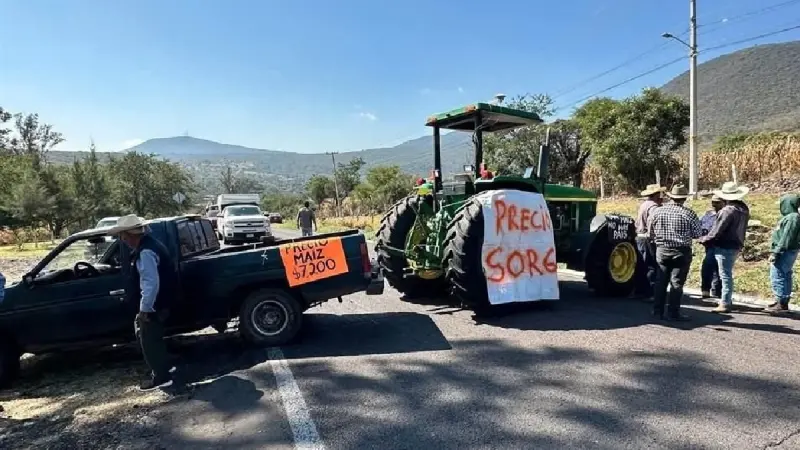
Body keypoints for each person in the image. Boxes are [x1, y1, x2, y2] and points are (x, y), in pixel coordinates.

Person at [108, 214, 178, 391]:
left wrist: (144, 309)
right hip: (162, 301)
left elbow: (150, 282)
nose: (122, 240)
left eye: (123, 235)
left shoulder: (146, 251)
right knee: (154, 338)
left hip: (155, 304)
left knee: (148, 339)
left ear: (130, 235)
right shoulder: (150, 244)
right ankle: (165, 368)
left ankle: (162, 377)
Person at [648, 184, 703, 321]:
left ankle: (657, 311)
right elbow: (697, 234)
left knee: (661, 281)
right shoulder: (689, 213)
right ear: (684, 198)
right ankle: (673, 313)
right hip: (681, 251)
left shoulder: (658, 211)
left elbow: (650, 231)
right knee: (676, 283)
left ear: (671, 197)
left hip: (662, 249)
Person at [698, 181, 750, 313]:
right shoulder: (743, 208)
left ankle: (725, 302)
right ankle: (726, 299)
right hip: (736, 244)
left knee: (724, 274)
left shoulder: (727, 211)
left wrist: (704, 239)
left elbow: (717, 231)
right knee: (726, 273)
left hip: (724, 245)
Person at [765, 193, 800, 313]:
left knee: (778, 274)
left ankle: (781, 302)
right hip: (788, 250)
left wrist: (776, 252)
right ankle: (782, 300)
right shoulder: (792, 217)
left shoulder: (792, 218)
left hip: (785, 251)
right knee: (785, 274)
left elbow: (786, 237)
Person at [634, 184, 665, 298]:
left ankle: (639, 291)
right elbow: (654, 223)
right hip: (648, 237)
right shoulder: (654, 207)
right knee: (651, 266)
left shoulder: (644, 205)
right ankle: (649, 292)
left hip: (640, 236)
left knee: (641, 264)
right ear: (656, 195)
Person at [699, 195, 724, 299]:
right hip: (709, 245)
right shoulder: (708, 214)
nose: (714, 204)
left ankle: (716, 291)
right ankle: (707, 290)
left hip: (719, 244)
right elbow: (700, 225)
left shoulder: (724, 214)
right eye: (713, 202)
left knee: (716, 268)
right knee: (709, 267)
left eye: (717, 202)